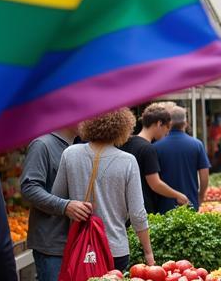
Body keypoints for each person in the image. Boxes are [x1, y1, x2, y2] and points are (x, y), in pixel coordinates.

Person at [53, 109, 154, 272]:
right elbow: (137, 213)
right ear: (124, 128)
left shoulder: (70, 154)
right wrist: (148, 253)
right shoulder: (128, 161)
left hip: (81, 247)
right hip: (115, 248)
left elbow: (57, 198)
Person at [20, 126, 90, 281]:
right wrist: (65, 206)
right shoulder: (42, 144)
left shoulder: (79, 145)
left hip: (76, 243)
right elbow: (29, 188)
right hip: (52, 245)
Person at [120, 104, 189, 215]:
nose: (167, 133)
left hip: (125, 206)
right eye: (167, 127)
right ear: (159, 123)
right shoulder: (148, 149)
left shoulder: (127, 141)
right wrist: (178, 195)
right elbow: (155, 184)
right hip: (143, 208)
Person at [154, 107, 210, 211]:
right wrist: (201, 196)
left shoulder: (156, 147)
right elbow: (204, 176)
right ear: (185, 123)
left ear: (169, 123)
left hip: (163, 204)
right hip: (190, 202)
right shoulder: (197, 145)